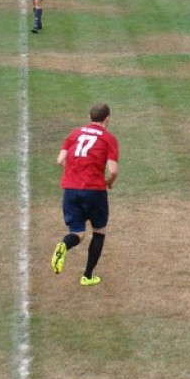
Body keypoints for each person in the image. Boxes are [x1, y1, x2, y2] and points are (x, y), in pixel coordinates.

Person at [51, 103, 119, 286]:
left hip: (71, 189)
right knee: (99, 231)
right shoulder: (108, 138)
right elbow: (112, 171)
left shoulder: (75, 133)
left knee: (77, 233)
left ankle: (64, 245)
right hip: (94, 190)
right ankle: (87, 276)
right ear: (107, 119)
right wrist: (109, 183)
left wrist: (74, 172)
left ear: (90, 118)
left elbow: (60, 160)